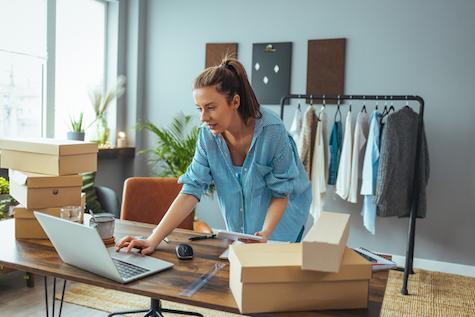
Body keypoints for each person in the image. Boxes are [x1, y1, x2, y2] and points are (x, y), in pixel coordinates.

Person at [116, 57, 311, 255]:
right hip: (244, 234)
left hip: (282, 224)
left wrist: (265, 233)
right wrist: (152, 239)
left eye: (210, 107)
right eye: (199, 109)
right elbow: (191, 189)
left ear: (235, 101)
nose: (203, 117)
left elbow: (281, 194)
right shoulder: (207, 136)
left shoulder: (272, 131)